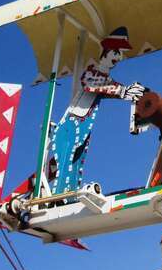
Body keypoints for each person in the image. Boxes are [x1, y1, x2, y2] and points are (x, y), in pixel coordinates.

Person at [47, 27, 144, 195]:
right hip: (71, 125)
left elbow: (107, 88)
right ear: (106, 52)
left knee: (77, 164)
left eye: (120, 53)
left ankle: (70, 196)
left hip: (83, 127)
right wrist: (123, 91)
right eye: (116, 52)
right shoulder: (92, 72)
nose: (118, 57)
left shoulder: (106, 80)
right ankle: (59, 196)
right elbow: (93, 85)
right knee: (65, 165)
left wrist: (128, 92)